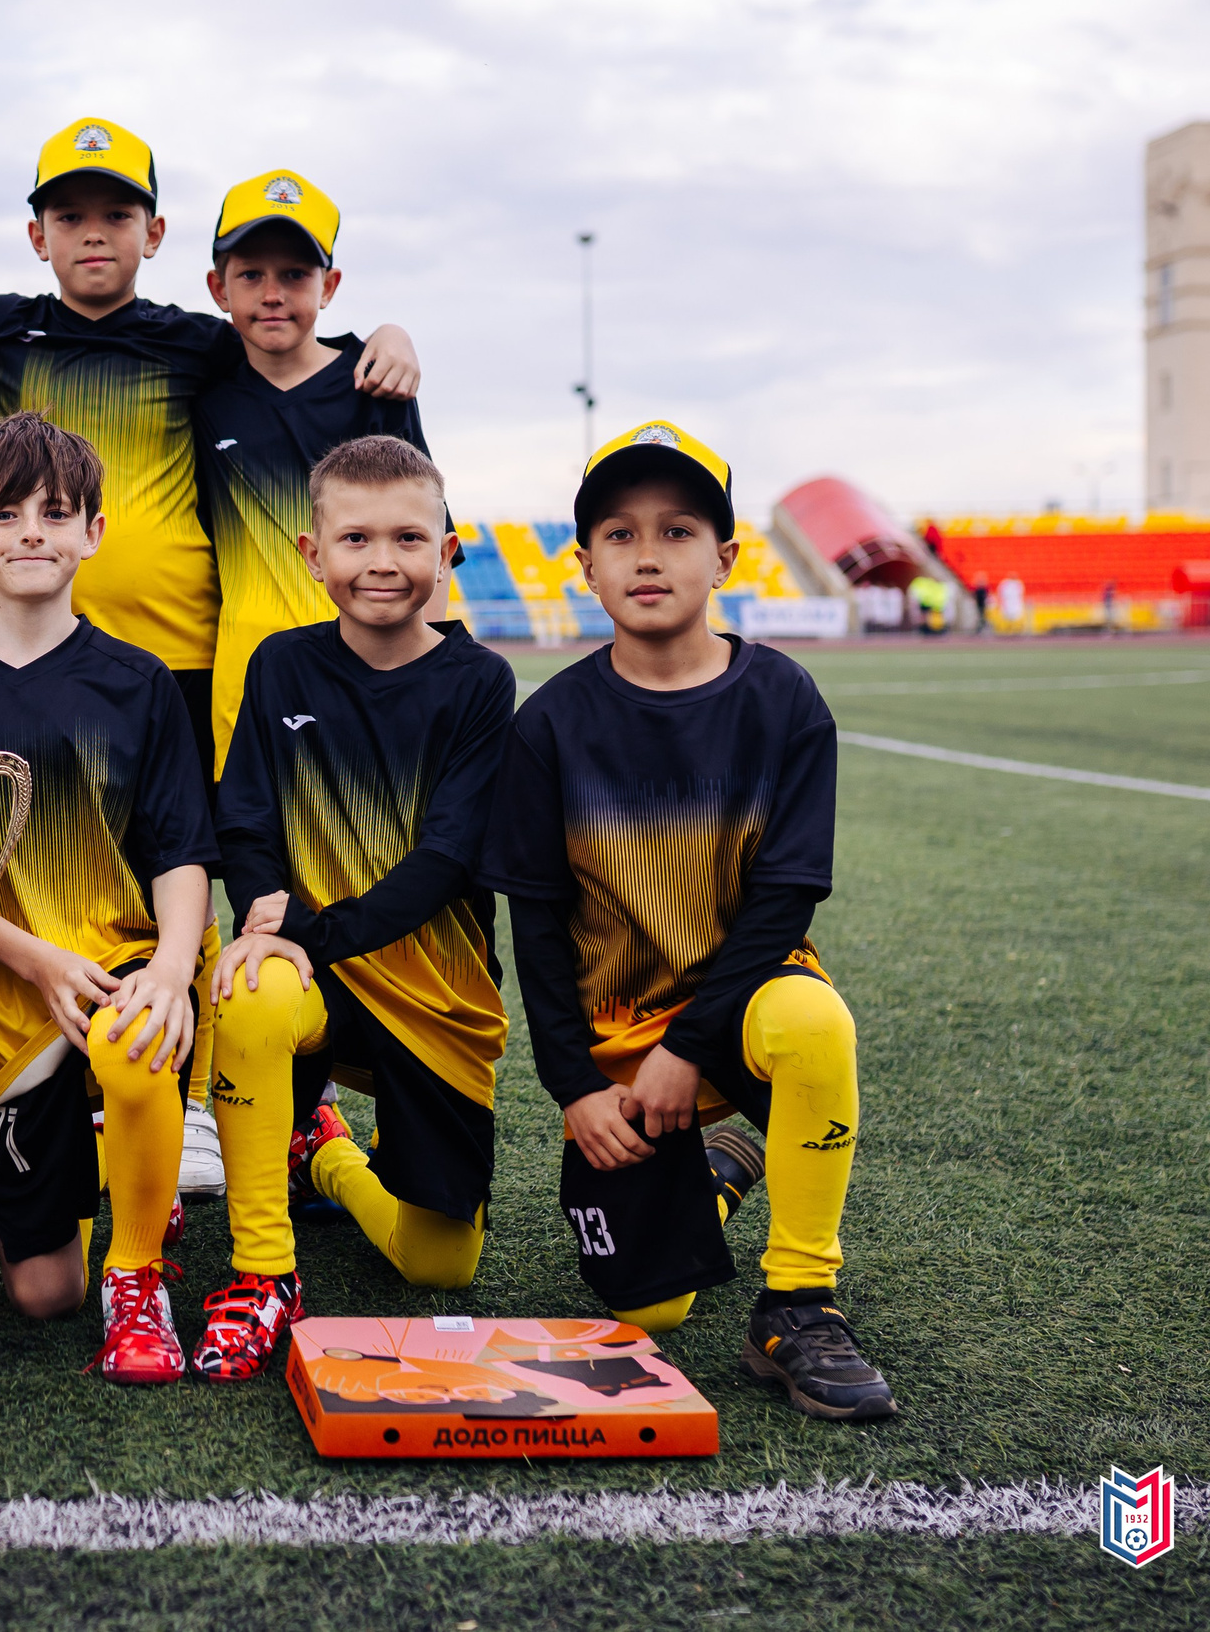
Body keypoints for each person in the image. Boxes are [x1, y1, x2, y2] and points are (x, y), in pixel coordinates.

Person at [0, 119, 423, 1200]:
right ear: (36, 232)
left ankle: (196, 1090)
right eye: (71, 216)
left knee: (185, 863)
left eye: (116, 215)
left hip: (184, 663)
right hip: (25, 660)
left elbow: (293, 347)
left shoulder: (197, 342)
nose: (94, 235)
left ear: (155, 233)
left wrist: (386, 333)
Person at [478, 420, 896, 1423]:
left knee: (814, 1023)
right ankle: (714, 1170)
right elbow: (534, 924)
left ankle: (797, 1303)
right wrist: (574, 1085)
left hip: (740, 1014)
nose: (648, 555)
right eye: (618, 535)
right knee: (647, 1302)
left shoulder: (783, 701)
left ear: (725, 556)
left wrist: (691, 1046)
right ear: (583, 566)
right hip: (618, 1044)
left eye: (676, 530)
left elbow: (783, 897)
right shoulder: (548, 725)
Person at [0, 412, 217, 1385]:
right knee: (38, 1295)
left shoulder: (139, 682)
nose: (32, 530)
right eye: (7, 512)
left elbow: (181, 851)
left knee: (136, 1036)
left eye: (56, 512)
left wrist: (168, 968)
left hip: (118, 968)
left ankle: (139, 1275)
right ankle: (110, 1173)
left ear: (93, 533)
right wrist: (31, 960)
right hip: (2, 991)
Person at [200, 436, 514, 1380]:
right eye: (357, 538)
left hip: (432, 986)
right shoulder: (280, 665)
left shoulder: (480, 684)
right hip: (310, 973)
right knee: (252, 989)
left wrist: (310, 934)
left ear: (448, 551)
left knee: (439, 1264)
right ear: (312, 553)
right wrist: (270, 922)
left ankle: (323, 1151)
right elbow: (244, 818)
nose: (383, 561)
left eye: (409, 538)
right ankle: (265, 1268)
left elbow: (448, 859)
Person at [193, 168, 430, 779]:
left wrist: (424, 672)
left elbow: (429, 541)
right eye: (251, 275)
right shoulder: (201, 390)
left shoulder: (375, 384)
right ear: (219, 289)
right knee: (260, 857)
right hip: (245, 679)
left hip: (366, 673)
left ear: (330, 286)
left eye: (295, 275)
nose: (272, 293)